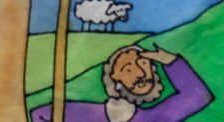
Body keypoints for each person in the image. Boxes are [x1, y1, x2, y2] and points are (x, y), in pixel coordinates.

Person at [27, 45, 213, 122]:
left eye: (143, 64)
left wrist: (168, 60)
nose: (140, 74)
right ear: (115, 82)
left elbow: (198, 95)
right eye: (128, 70)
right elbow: (39, 115)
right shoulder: (87, 113)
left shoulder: (155, 118)